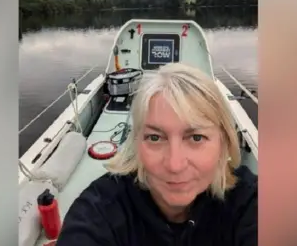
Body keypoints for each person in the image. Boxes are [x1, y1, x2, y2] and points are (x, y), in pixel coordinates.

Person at [55, 63, 258, 246]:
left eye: (196, 138)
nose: (174, 165)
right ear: (137, 143)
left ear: (224, 143)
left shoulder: (250, 204)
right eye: (155, 138)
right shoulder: (99, 212)